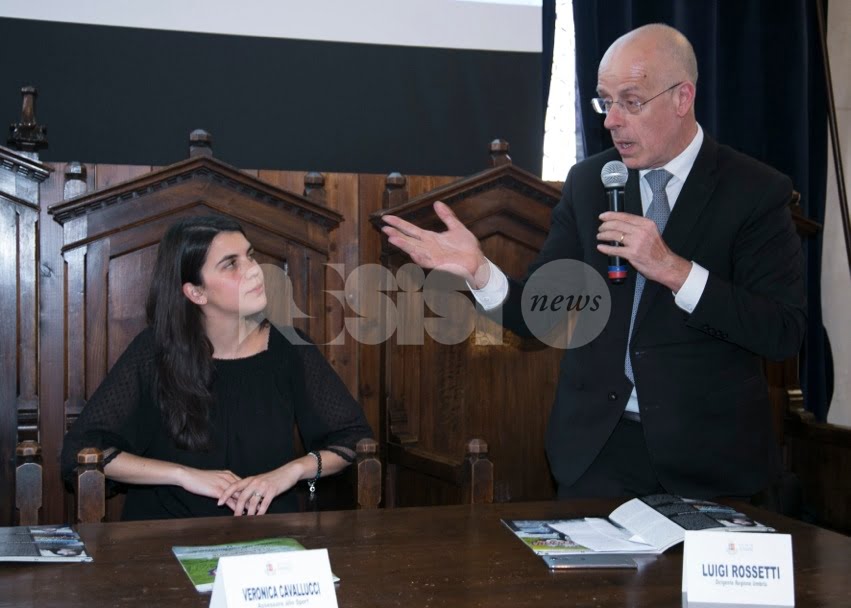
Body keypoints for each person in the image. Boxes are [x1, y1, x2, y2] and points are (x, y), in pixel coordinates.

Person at [381, 24, 806, 501]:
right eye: (606, 102)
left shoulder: (754, 191)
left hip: (711, 460)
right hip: (599, 451)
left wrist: (674, 270)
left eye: (631, 102)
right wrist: (480, 271)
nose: (612, 121)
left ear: (682, 98)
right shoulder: (590, 182)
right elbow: (538, 314)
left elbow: (782, 332)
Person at [61, 215, 373, 520]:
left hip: (266, 535)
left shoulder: (290, 347)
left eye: (250, 256)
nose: (255, 271)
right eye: (231, 264)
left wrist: (291, 471)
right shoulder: (153, 351)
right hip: (163, 535)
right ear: (196, 292)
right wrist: (182, 475)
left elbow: (353, 440)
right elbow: (83, 452)